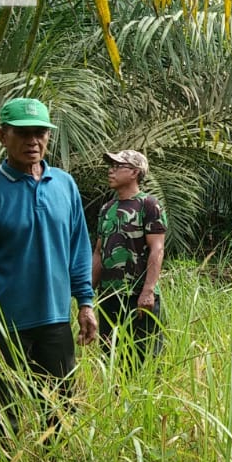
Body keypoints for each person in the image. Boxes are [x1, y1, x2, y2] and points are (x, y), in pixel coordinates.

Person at [0, 97, 98, 446]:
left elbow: (78, 247)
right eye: (23, 133)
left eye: (40, 132)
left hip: (54, 322)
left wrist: (85, 302)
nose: (33, 141)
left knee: (61, 413)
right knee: (1, 416)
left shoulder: (65, 185)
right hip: (3, 327)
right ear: (3, 136)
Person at [92, 149, 167, 356]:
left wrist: (148, 291)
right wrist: (89, 291)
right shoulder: (107, 208)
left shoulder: (148, 205)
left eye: (117, 166)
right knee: (111, 356)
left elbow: (157, 248)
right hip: (109, 295)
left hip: (137, 295)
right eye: (111, 166)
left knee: (144, 357)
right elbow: (99, 251)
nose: (111, 171)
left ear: (134, 172)